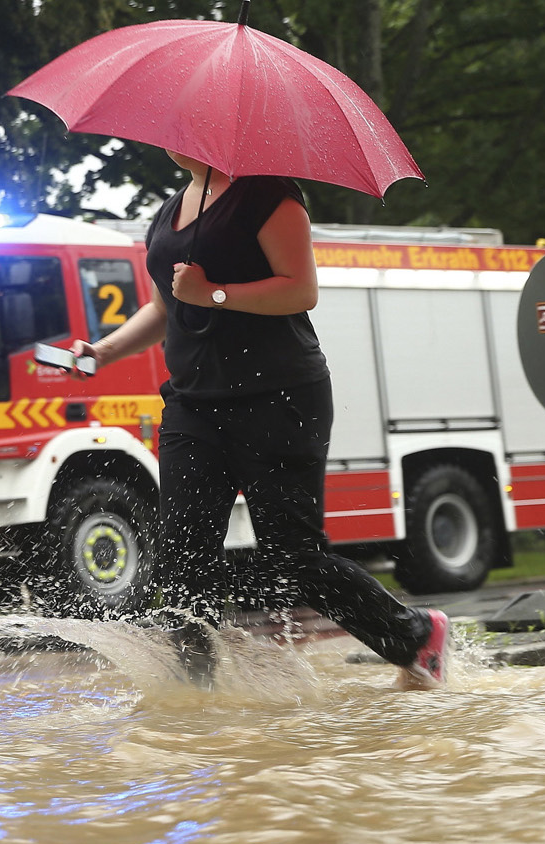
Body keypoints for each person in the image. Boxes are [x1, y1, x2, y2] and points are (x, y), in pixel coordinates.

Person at [70, 150, 449, 690]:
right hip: (193, 406)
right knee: (181, 557)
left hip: (279, 398)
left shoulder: (271, 196)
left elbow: (300, 289)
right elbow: (164, 308)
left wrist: (214, 294)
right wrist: (103, 351)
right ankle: (195, 691)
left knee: (292, 557)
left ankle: (416, 635)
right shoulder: (169, 212)